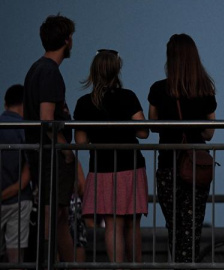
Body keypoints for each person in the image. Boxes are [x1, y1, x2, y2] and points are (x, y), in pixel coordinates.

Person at [74, 49, 149, 263]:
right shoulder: (127, 97)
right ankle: (135, 267)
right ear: (117, 70)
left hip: (102, 167)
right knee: (132, 224)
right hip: (131, 165)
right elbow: (144, 131)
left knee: (112, 224)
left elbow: (80, 142)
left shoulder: (84, 103)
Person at [148, 33, 216, 263]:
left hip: (168, 164)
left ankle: (178, 263)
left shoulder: (158, 89)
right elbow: (210, 131)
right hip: (196, 165)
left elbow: (153, 125)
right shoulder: (205, 89)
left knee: (175, 227)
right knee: (192, 228)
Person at [23, 14, 76, 263]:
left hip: (41, 155)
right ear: (66, 40)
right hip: (50, 158)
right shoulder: (50, 72)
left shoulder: (36, 69)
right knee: (52, 215)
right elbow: (47, 118)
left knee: (60, 216)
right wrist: (66, 150)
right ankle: (46, 263)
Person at [0, 84, 33, 264]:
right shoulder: (24, 130)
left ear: (6, 104)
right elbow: (25, 179)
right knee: (15, 258)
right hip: (19, 199)